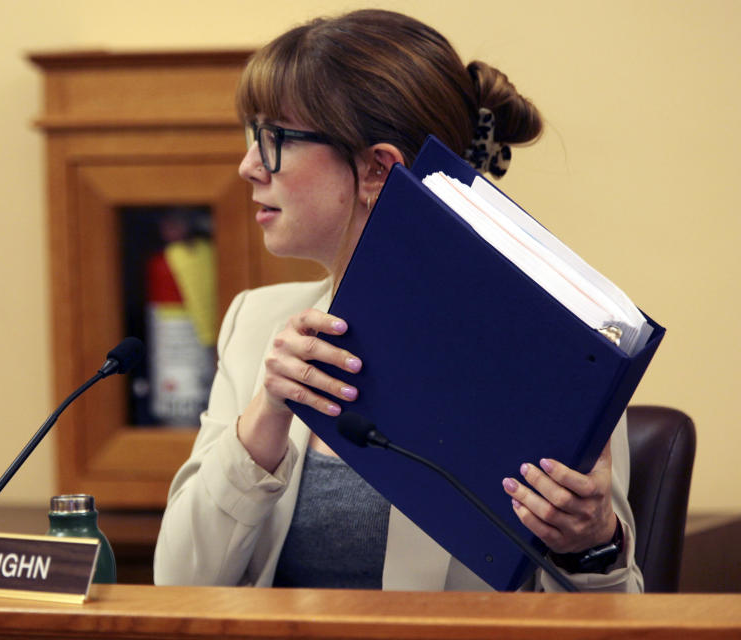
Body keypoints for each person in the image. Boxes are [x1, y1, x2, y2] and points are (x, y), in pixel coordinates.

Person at [154, 9, 642, 592]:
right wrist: (263, 420)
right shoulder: (254, 322)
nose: (248, 165)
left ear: (377, 169)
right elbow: (178, 583)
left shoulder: (552, 349)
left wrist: (591, 545)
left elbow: (618, 612)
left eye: (276, 138)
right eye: (251, 134)